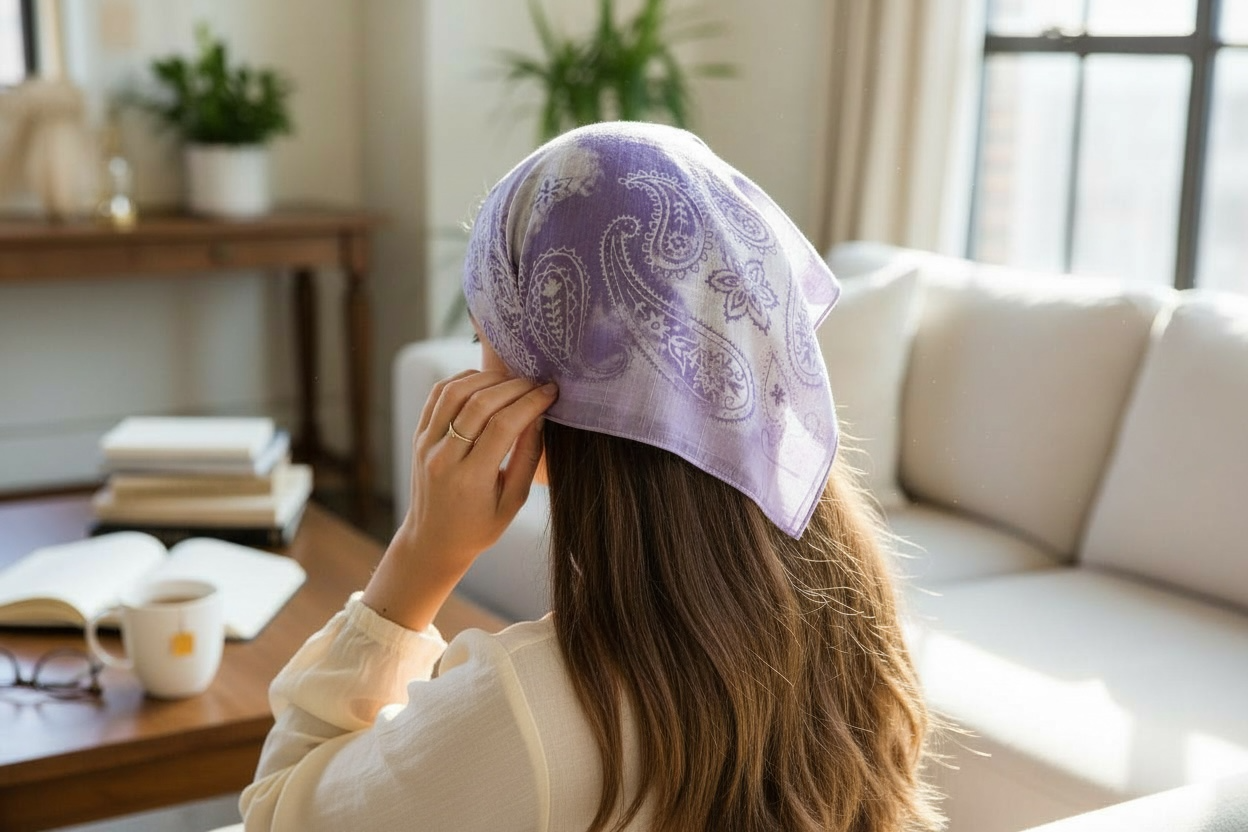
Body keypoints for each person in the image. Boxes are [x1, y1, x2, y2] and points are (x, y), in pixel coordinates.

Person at [241, 122, 943, 832]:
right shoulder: (854, 606)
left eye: (486, 340)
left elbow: (275, 814)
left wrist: (420, 556)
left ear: (543, 376)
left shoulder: (528, 713)